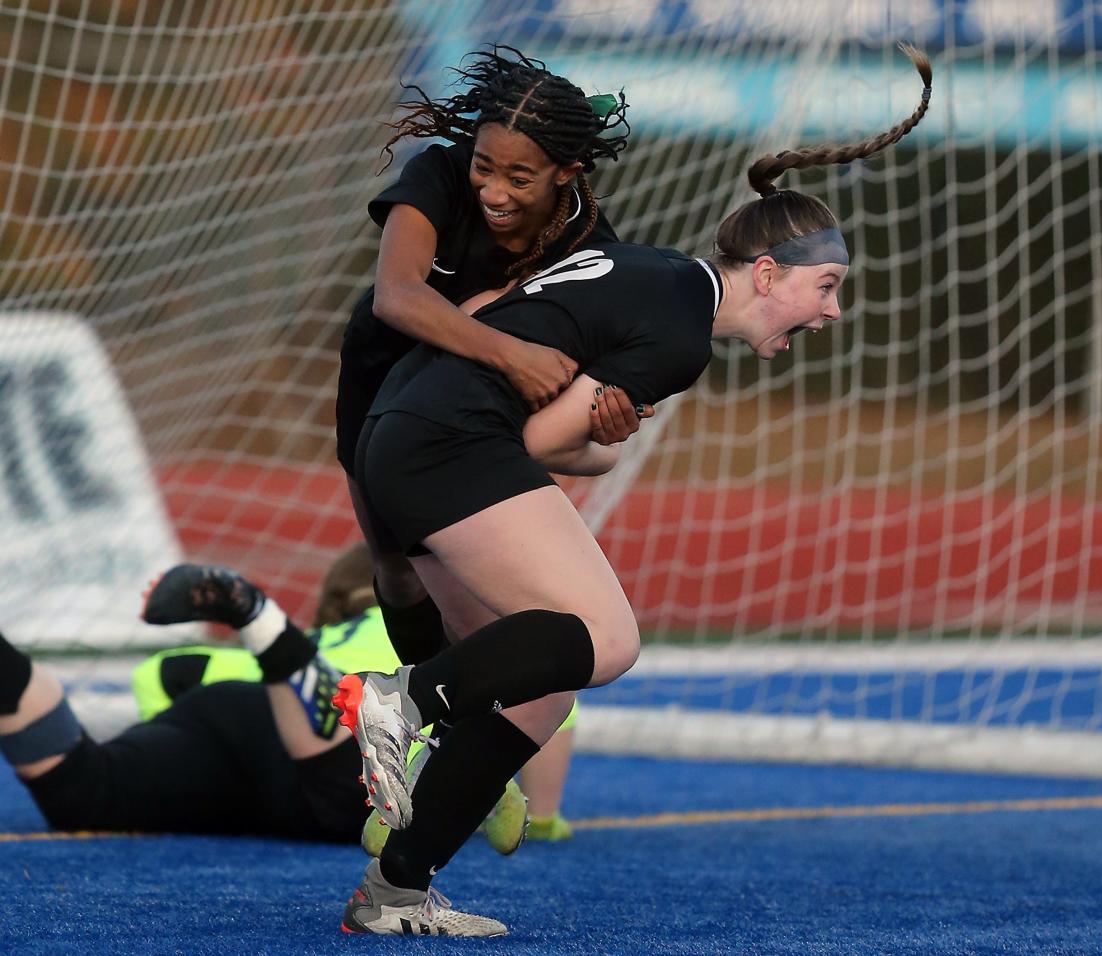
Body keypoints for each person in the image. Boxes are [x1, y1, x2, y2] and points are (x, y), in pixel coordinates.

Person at [333, 45, 934, 939]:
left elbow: (567, 442)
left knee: (541, 685)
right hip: (435, 435)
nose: (832, 311)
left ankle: (396, 889)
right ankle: (406, 699)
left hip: (407, 431)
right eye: (826, 287)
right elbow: (535, 441)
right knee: (608, 640)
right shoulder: (680, 328)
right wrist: (569, 425)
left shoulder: (643, 269)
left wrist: (596, 431)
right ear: (765, 272)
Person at [334, 45, 641, 844]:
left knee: (504, 618)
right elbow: (399, 298)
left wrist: (603, 413)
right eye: (486, 167)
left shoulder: (590, 241)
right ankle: (442, 753)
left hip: (473, 417)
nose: (494, 191)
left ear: (568, 172)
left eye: (520, 177)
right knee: (398, 572)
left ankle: (465, 769)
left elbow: (585, 369)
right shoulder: (437, 176)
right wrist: (508, 351)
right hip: (382, 389)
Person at [0, 547, 526, 852]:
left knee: (84, 792)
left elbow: (163, 671)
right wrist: (543, 814)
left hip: (231, 716)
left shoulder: (333, 632)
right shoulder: (444, 632)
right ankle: (256, 617)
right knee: (360, 804)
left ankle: (265, 631)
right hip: (323, 740)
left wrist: (165, 741)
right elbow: (553, 710)